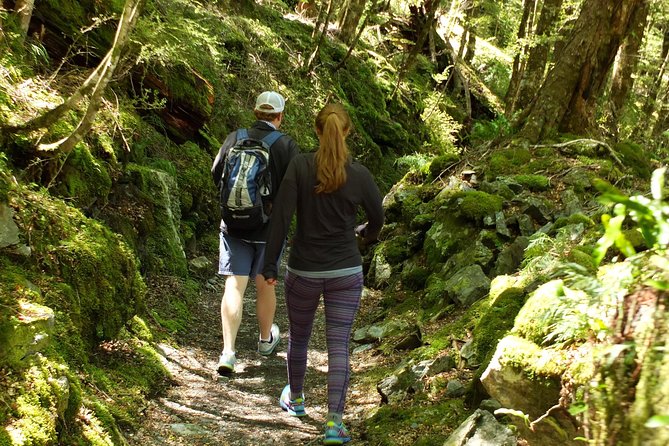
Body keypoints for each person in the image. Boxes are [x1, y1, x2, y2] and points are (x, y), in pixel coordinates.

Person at [262, 103, 384, 444]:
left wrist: (270, 263)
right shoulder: (358, 173)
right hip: (346, 269)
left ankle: (297, 401)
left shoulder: (300, 166)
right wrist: (364, 237)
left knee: (299, 338)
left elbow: (281, 218)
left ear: (317, 130)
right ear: (346, 132)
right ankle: (334, 425)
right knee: (339, 346)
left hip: (303, 269)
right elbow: (378, 217)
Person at [211, 91, 299, 375]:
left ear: (255, 112)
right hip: (268, 228)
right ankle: (264, 340)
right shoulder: (285, 145)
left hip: (234, 224)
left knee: (234, 286)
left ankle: (228, 353)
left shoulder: (234, 137)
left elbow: (216, 173)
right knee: (265, 284)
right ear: (279, 116)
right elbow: (293, 188)